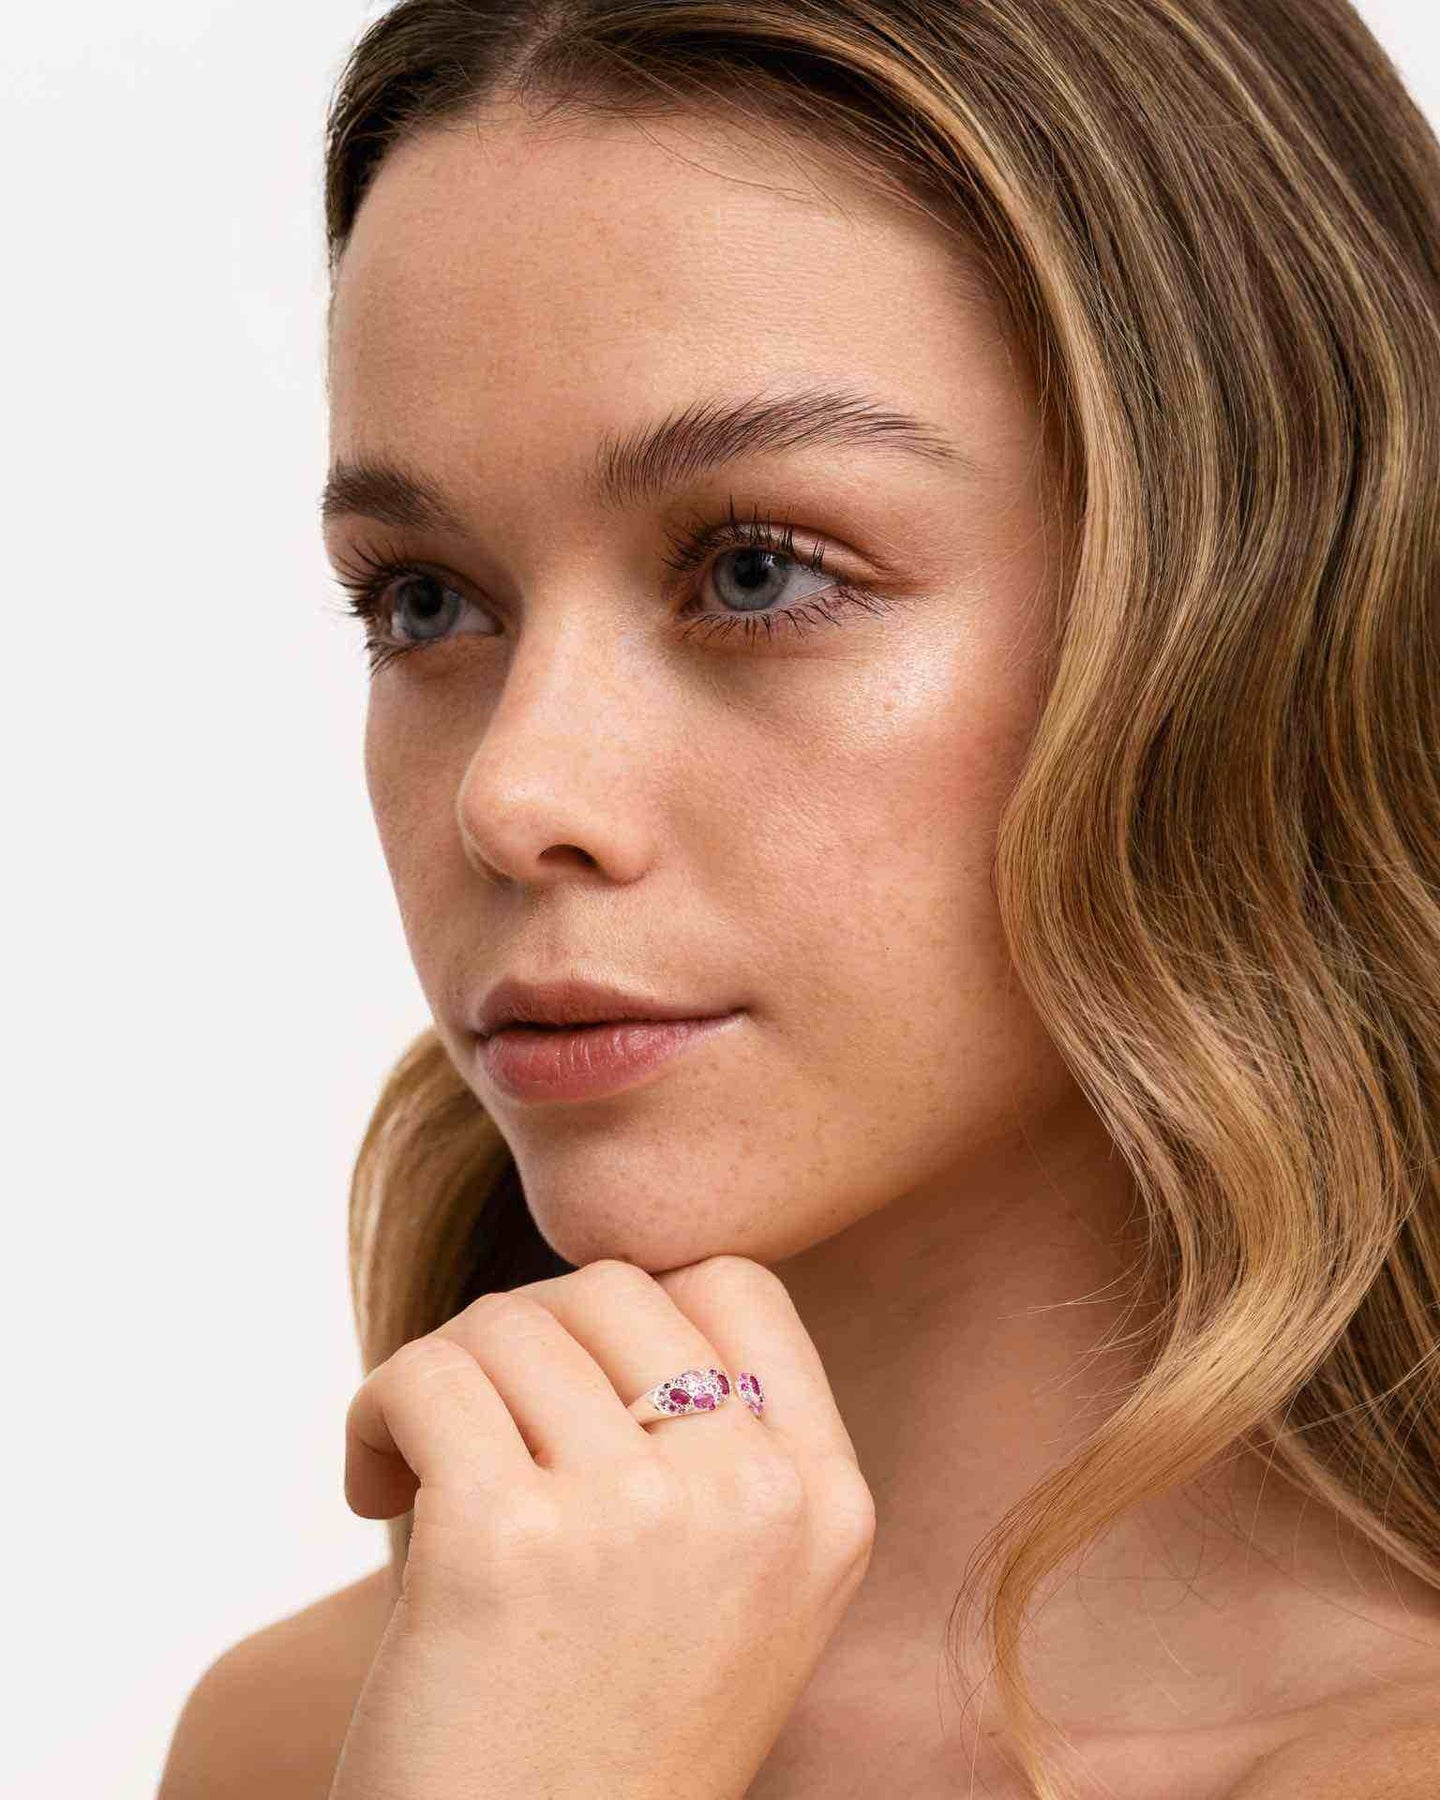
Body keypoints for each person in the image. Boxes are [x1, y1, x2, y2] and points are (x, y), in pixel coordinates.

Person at [158, 2, 1440, 1796]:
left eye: (758, 571)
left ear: (1256, 622)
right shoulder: (317, 1739)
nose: (513, 794)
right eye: (424, 601)